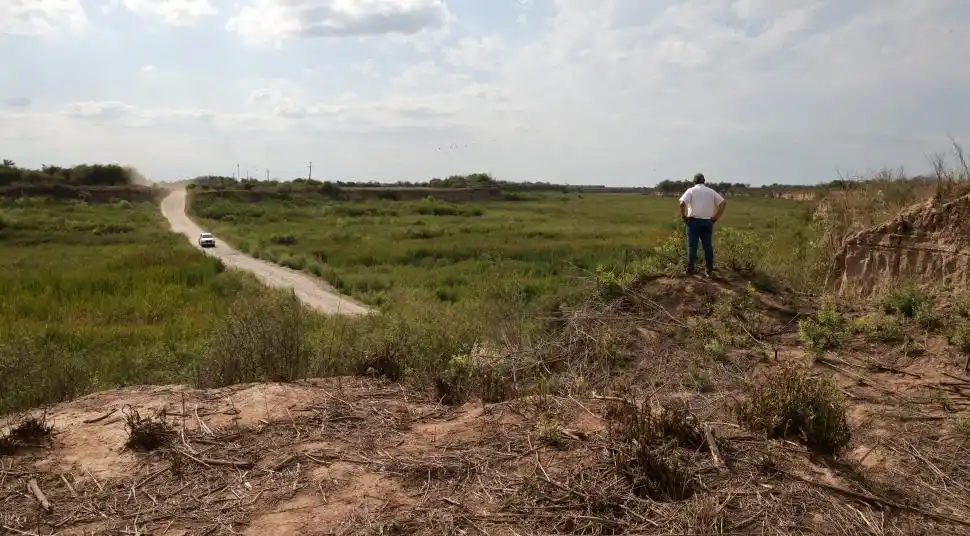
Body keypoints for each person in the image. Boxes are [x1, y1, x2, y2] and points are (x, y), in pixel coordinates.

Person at [678, 173, 726, 277]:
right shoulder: (711, 191)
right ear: (704, 181)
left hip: (693, 222)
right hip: (707, 222)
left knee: (692, 246)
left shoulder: (691, 190)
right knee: (707, 246)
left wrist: (683, 216)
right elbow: (723, 203)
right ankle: (709, 270)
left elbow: (681, 204)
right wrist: (716, 217)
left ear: (694, 181)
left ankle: (690, 270)